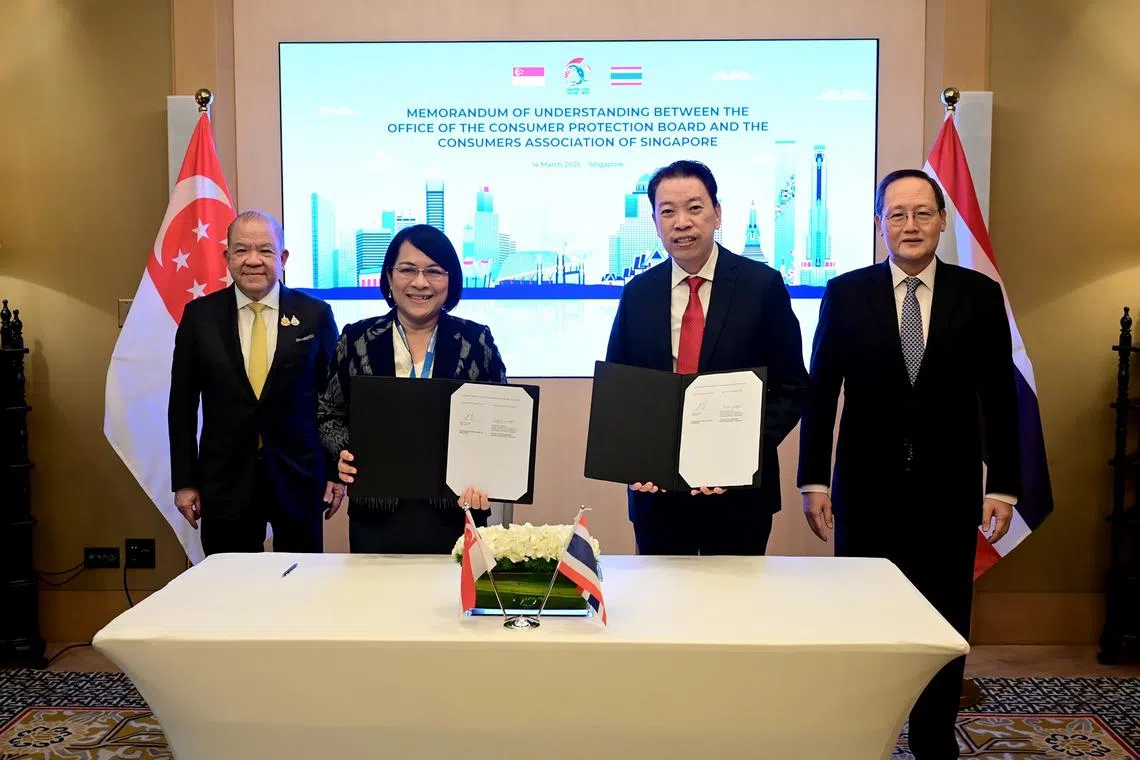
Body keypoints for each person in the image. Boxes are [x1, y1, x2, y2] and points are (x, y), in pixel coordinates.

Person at [797, 169, 1020, 759]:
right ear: (880, 225)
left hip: (948, 493)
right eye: (897, 214)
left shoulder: (978, 294)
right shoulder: (846, 293)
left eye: (923, 213)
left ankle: (933, 739)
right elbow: (822, 394)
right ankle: (865, 733)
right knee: (865, 621)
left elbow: (1000, 395)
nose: (911, 225)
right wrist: (813, 479)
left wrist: (1004, 485)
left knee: (943, 626)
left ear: (943, 221)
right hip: (866, 493)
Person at [605, 160, 808, 555]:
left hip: (739, 497)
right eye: (668, 211)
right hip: (658, 496)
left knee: (735, 612)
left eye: (694, 208)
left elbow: (793, 386)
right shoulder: (638, 294)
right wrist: (634, 461)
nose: (682, 222)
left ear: (717, 214)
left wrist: (739, 452)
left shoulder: (761, 285)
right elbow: (620, 391)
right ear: (656, 221)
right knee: (664, 612)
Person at [318, 224, 508, 553]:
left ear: (451, 281)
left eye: (433, 271)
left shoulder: (477, 341)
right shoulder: (356, 339)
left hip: (458, 511)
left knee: (454, 603)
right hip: (376, 514)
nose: (420, 282)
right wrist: (347, 451)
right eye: (407, 270)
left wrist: (487, 474)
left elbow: (503, 422)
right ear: (389, 277)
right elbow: (328, 412)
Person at [168, 210, 344, 555]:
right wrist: (185, 481)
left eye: (264, 250)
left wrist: (334, 470)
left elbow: (333, 400)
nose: (252, 261)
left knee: (301, 585)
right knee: (229, 590)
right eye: (241, 250)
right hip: (225, 480)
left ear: (283, 257)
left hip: (299, 475)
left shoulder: (315, 314)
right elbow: (182, 406)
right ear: (227, 257)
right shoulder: (199, 317)